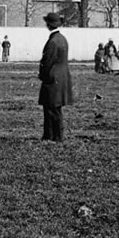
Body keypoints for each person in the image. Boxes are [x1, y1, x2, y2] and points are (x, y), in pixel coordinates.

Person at [38, 12, 74, 142]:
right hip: (61, 77)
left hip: (52, 77)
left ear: (48, 24)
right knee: (54, 107)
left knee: (51, 108)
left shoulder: (53, 41)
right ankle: (52, 135)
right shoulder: (62, 39)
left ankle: (55, 136)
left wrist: (42, 75)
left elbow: (47, 61)